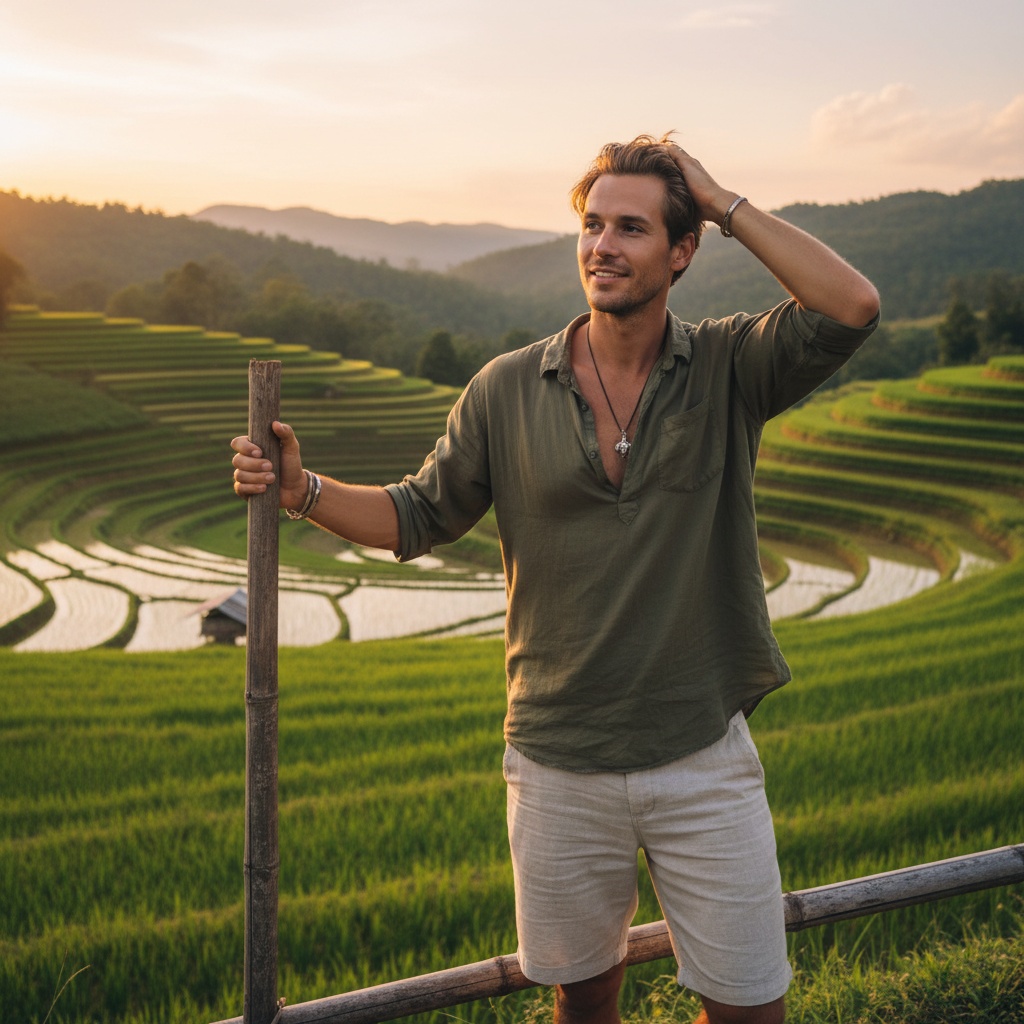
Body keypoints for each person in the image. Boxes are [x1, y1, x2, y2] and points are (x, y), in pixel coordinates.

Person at [231, 136, 880, 1024]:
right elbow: (418, 514)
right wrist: (302, 488)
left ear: (681, 251)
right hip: (556, 762)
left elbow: (852, 306)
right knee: (584, 1001)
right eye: (591, 224)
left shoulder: (730, 366)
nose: (602, 245)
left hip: (702, 755)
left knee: (749, 1005)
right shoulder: (504, 389)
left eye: (632, 228)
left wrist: (722, 200)